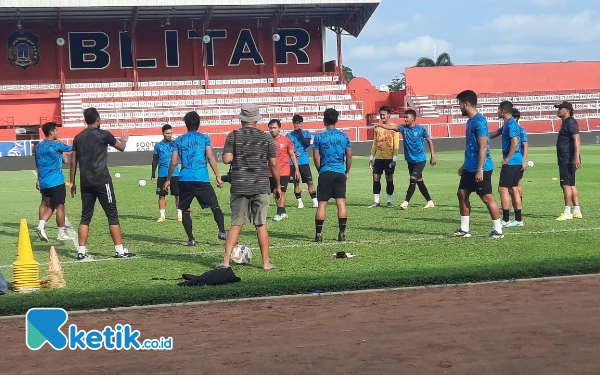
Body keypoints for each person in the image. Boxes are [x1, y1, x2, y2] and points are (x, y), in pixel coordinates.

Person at [69, 108, 135, 260]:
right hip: (102, 180)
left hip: (85, 181)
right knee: (112, 215)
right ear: (98, 119)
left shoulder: (78, 137)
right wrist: (124, 140)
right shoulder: (104, 134)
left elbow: (73, 162)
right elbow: (121, 147)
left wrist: (72, 182)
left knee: (85, 216)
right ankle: (119, 250)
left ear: (86, 120)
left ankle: (81, 251)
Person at [218, 104, 279, 270]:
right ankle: (266, 262)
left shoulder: (233, 135)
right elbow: (273, 164)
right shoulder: (267, 138)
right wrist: (278, 186)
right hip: (260, 184)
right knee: (261, 224)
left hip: (240, 185)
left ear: (241, 118)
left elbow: (227, 159)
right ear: (257, 119)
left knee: (236, 223)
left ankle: (225, 261)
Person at [162, 111, 226, 246]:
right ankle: (222, 231)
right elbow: (210, 157)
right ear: (198, 123)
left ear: (186, 124)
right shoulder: (204, 138)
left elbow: (173, 162)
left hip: (185, 179)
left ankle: (191, 239)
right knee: (215, 206)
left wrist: (168, 179)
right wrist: (218, 177)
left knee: (185, 210)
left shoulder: (178, 140)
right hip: (201, 178)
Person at [450, 90, 504, 239]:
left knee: (486, 197)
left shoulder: (479, 122)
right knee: (462, 193)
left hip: (482, 167)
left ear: (466, 104)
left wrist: (479, 169)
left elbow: (483, 147)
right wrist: (464, 165)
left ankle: (498, 231)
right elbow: (472, 147)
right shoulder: (470, 121)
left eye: (460, 104)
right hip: (470, 166)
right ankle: (464, 230)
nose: (459, 107)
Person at [378, 109, 436, 210]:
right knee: (419, 181)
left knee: (413, 179)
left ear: (413, 118)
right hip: (410, 160)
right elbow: (392, 127)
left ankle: (405, 202)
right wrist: (380, 125)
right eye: (404, 117)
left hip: (420, 160)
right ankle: (430, 202)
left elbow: (429, 141)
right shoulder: (403, 128)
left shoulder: (421, 129)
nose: (405, 119)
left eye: (406, 117)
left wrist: (433, 156)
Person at [313, 108, 352, 242]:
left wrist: (321, 170)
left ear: (324, 121)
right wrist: (347, 172)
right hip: (339, 172)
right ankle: (341, 234)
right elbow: (349, 155)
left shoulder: (319, 137)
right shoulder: (344, 136)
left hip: (325, 172)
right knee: (341, 203)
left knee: (322, 205)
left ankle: (318, 235)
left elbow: (316, 156)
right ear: (336, 120)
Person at [34, 122, 73, 242]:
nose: (58, 133)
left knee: (49, 205)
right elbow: (72, 150)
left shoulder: (38, 146)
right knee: (60, 207)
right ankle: (60, 234)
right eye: (57, 131)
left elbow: (38, 164)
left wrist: (38, 179)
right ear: (51, 132)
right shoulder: (56, 145)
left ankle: (41, 226)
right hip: (56, 181)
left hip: (44, 182)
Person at [495, 101, 523, 227]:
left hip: (512, 162)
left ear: (502, 111)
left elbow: (515, 143)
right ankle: (518, 220)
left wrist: (507, 159)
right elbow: (495, 133)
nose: (497, 112)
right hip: (517, 161)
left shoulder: (510, 125)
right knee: (513, 188)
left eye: (498, 110)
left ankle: (506, 220)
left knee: (503, 188)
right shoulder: (508, 124)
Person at [554, 101, 582, 221]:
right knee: (571, 184)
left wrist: (576, 157)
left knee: (565, 184)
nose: (558, 111)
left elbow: (577, 140)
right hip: (568, 158)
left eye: (560, 109)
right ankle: (577, 210)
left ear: (566, 110)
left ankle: (567, 212)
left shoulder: (570, 122)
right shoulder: (567, 122)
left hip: (567, 158)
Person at [268, 119, 300, 221]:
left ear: (279, 128)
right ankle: (283, 212)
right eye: (270, 128)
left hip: (284, 170)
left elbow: (292, 155)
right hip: (271, 172)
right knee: (275, 193)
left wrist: (296, 169)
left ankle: (279, 213)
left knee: (281, 191)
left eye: (274, 128)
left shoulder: (286, 141)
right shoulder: (267, 141)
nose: (272, 130)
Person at [367, 106, 399, 208]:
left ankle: (389, 201)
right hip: (379, 158)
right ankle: (376, 201)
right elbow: (375, 143)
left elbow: (396, 144)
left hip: (389, 158)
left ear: (389, 115)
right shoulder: (377, 128)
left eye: (383, 114)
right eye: (380, 114)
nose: (382, 116)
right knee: (376, 177)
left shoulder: (394, 128)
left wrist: (394, 159)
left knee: (389, 178)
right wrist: (371, 158)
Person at [152, 124, 182, 222]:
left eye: (170, 133)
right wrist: (153, 174)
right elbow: (155, 160)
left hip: (175, 174)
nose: (169, 135)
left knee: (178, 194)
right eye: (167, 133)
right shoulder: (158, 145)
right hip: (162, 174)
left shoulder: (175, 144)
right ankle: (162, 216)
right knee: (161, 195)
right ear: (163, 133)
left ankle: (179, 215)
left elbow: (181, 155)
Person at [287, 114, 318, 208]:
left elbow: (307, 143)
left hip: (304, 162)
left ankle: (315, 201)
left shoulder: (306, 133)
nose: (297, 125)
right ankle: (300, 202)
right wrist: (293, 153)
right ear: (293, 123)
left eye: (299, 123)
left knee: (310, 182)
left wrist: (300, 132)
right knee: (296, 183)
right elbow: (287, 148)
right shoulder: (289, 135)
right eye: (295, 123)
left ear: (302, 123)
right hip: (293, 162)